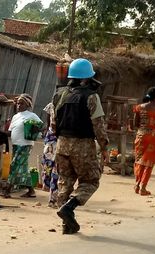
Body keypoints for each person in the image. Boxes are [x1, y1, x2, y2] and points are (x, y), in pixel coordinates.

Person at [52, 58, 109, 234]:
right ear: (86, 78)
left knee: (65, 183)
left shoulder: (59, 94)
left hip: (62, 144)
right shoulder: (92, 97)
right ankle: (69, 207)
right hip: (83, 145)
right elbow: (98, 125)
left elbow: (53, 124)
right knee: (91, 181)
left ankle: (66, 225)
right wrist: (104, 147)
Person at [3, 93, 42, 198]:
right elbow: (11, 131)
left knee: (14, 165)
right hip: (16, 145)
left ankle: (7, 189)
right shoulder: (15, 116)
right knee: (23, 168)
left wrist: (31, 130)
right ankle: (31, 191)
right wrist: (2, 133)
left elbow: (40, 126)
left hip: (25, 145)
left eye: (22, 104)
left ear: (27, 105)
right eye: (18, 104)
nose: (19, 106)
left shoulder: (31, 115)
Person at [133, 87, 155, 196]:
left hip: (141, 136)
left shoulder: (139, 107)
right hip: (154, 138)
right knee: (149, 163)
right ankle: (143, 187)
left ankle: (137, 185)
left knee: (139, 161)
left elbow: (135, 124)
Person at [42, 102, 59, 208]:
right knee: (49, 168)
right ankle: (53, 196)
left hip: (59, 140)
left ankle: (53, 198)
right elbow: (48, 119)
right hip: (52, 140)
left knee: (56, 171)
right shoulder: (52, 104)